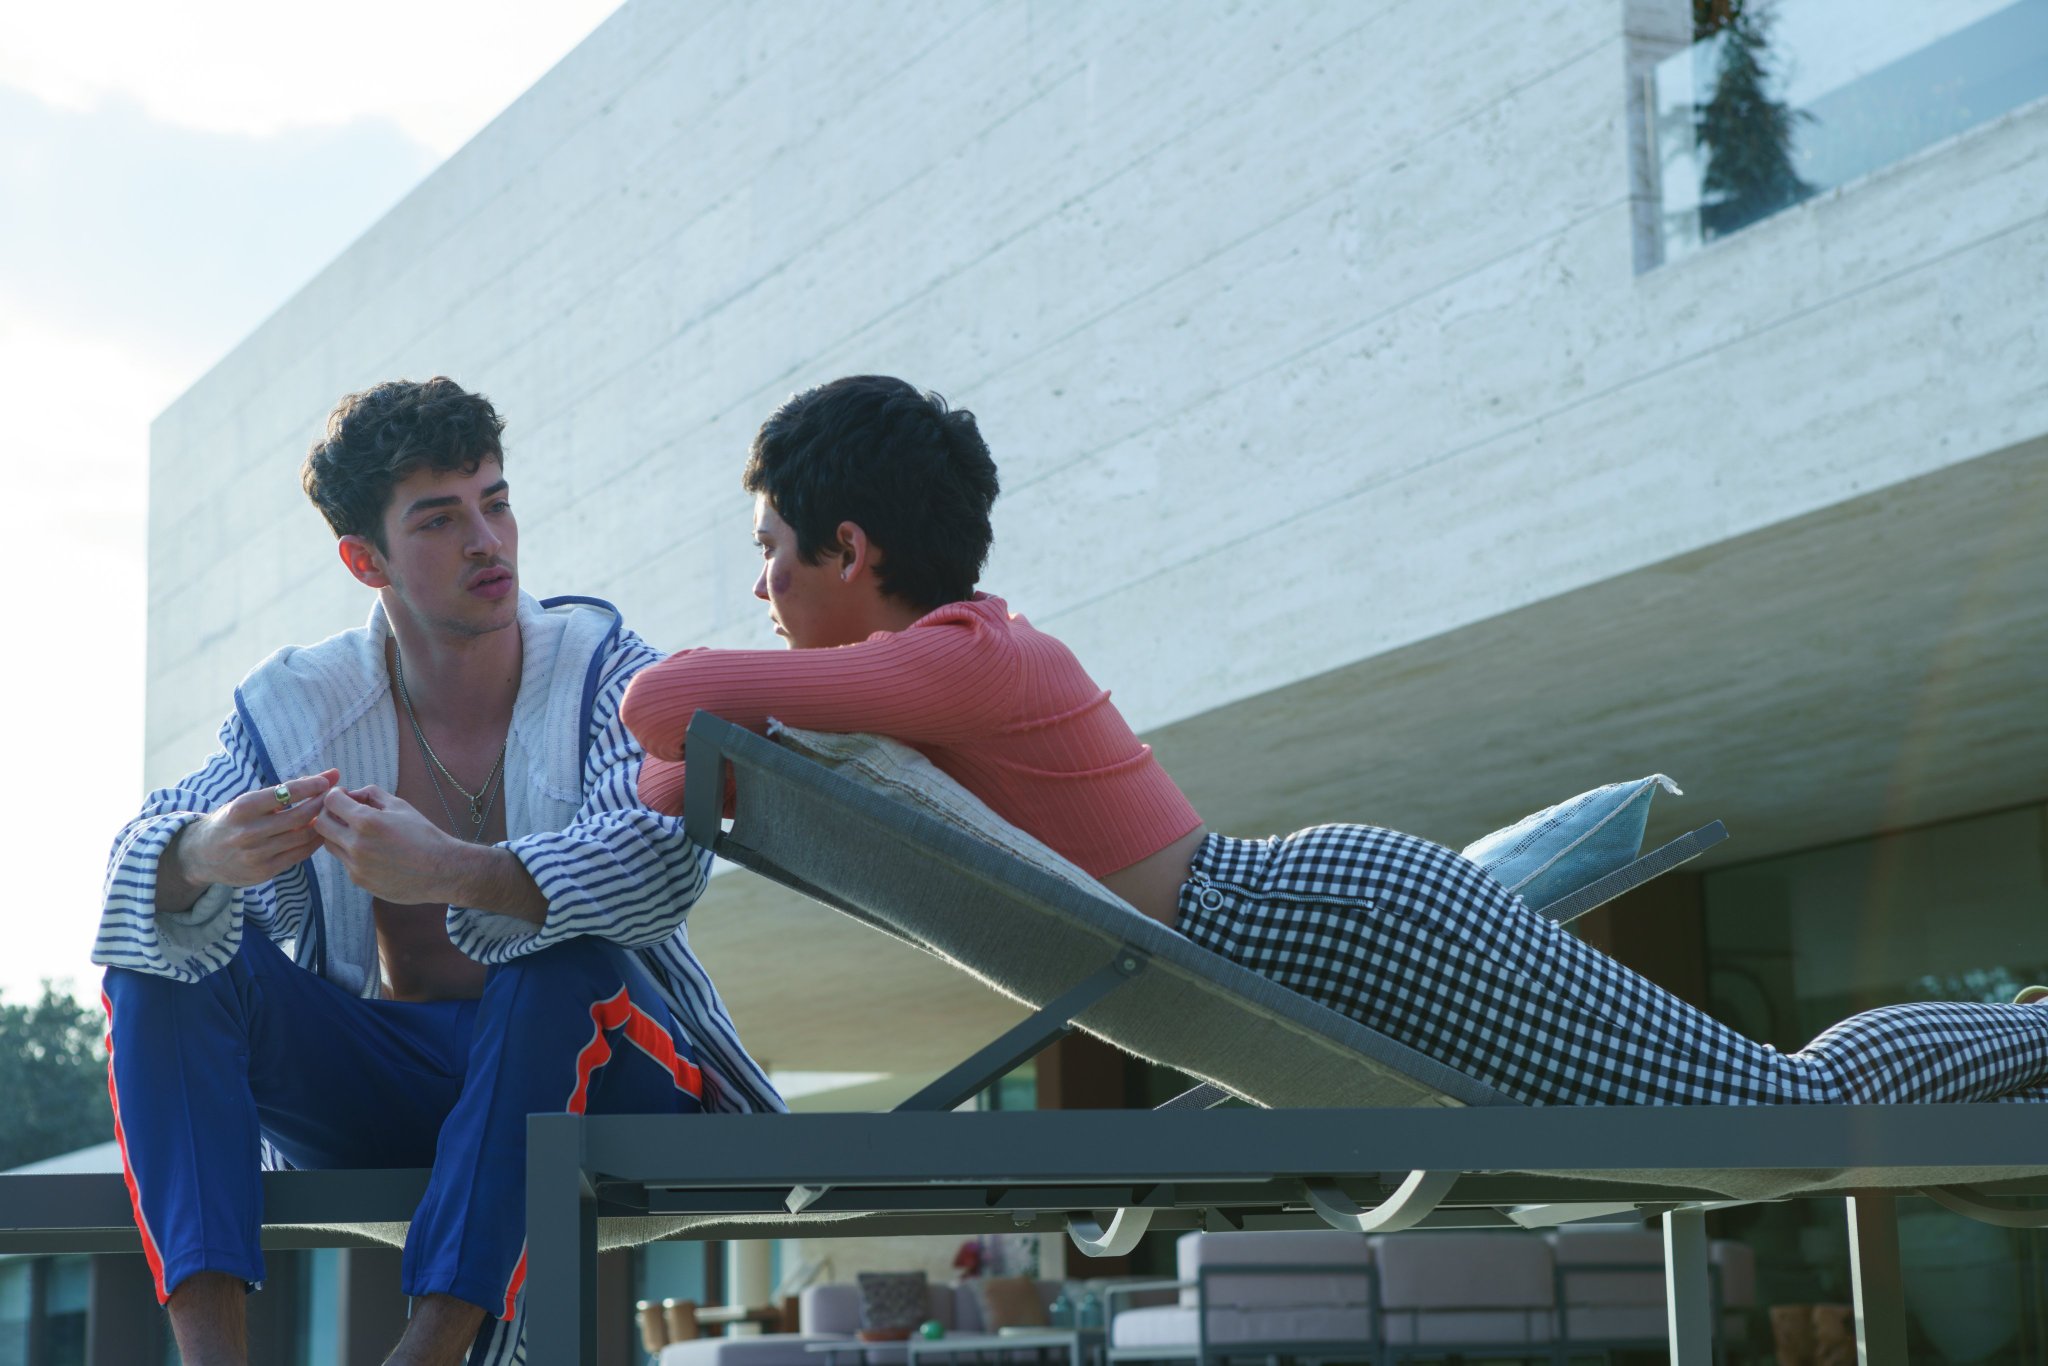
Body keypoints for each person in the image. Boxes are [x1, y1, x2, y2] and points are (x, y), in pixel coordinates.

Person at [619, 374, 2048, 1111]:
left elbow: (658, 709)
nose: (760, 590)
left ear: (851, 547)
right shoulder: (923, 675)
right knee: (1760, 1100)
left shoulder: (962, 659)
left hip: (1344, 923)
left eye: (770, 555)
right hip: (1311, 927)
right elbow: (681, 772)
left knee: (1769, 1105)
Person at [95, 378, 782, 1366]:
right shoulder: (302, 709)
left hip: (616, 1084)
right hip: (394, 1091)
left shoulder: (602, 667)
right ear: (363, 557)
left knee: (558, 962)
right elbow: (135, 857)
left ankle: (428, 1351)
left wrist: (455, 870)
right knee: (171, 951)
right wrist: (205, 852)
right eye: (440, 519)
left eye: (495, 502)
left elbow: (659, 859)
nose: (487, 542)